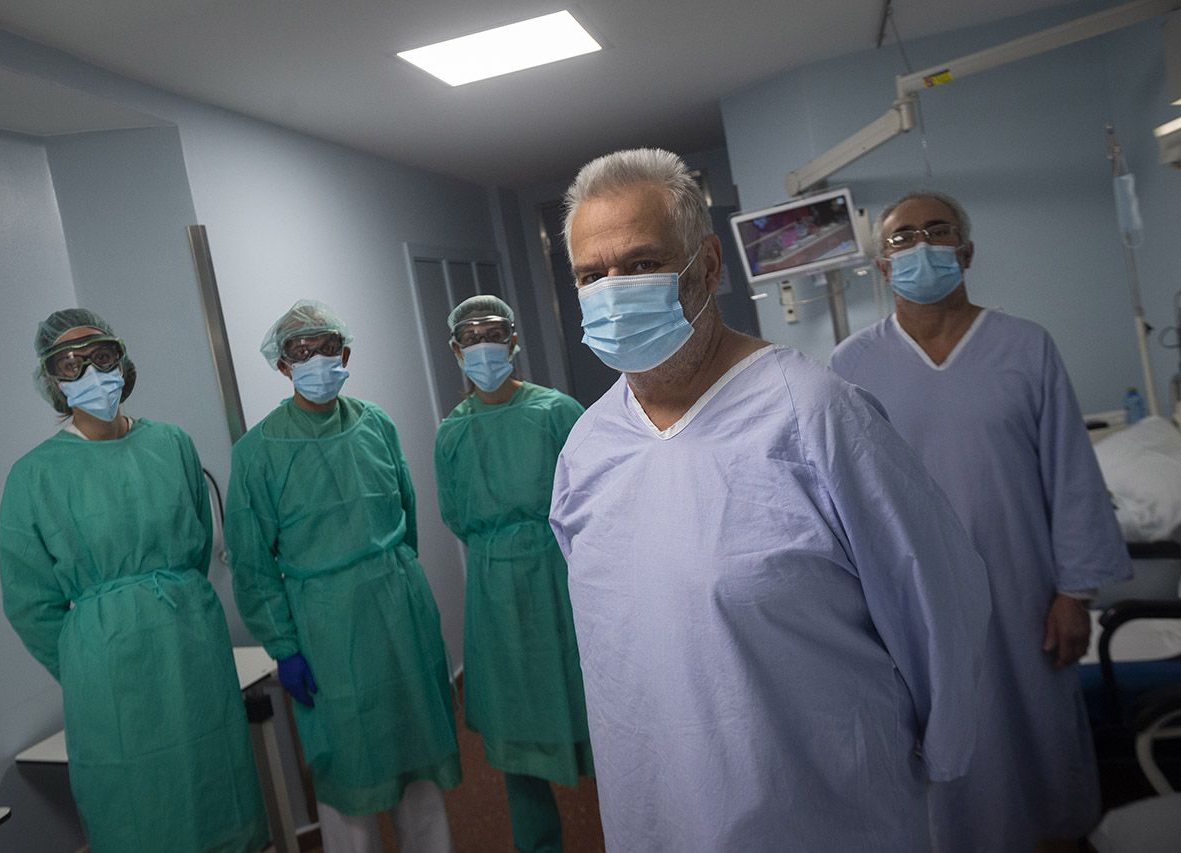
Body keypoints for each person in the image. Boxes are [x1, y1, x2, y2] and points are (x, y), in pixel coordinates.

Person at [547, 148, 993, 851]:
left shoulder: (816, 414)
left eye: (640, 265)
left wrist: (940, 753)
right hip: (655, 806)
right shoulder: (586, 451)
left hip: (819, 809)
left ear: (709, 266)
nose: (613, 292)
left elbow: (935, 597)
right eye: (590, 275)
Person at [830, 189, 1133, 850]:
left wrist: (1075, 593)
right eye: (902, 238)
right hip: (911, 607)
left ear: (965, 251)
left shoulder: (1026, 349)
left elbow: (1071, 477)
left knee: (1038, 751)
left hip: (1023, 594)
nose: (921, 245)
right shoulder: (849, 369)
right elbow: (840, 501)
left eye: (937, 231)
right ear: (882, 266)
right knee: (938, 760)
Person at [0, 308, 268, 852]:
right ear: (53, 382)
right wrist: (89, 660)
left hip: (192, 650)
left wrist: (168, 613)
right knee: (139, 811)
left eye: (100, 356)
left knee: (217, 787)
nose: (90, 373)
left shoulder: (172, 444)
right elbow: (30, 603)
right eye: (69, 364)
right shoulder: (34, 476)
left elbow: (193, 552)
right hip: (107, 679)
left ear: (122, 361)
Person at [225, 299, 460, 853]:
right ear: (282, 366)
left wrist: (401, 588)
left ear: (346, 351)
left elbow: (404, 516)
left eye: (326, 347)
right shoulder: (257, 452)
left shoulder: (375, 424)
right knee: (345, 778)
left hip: (398, 610)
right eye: (298, 351)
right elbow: (254, 562)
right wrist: (285, 647)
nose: (314, 360)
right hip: (325, 631)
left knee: (418, 760)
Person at [434, 295, 592, 853]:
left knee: (597, 710)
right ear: (455, 351)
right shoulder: (451, 433)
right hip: (494, 592)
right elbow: (456, 514)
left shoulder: (556, 412)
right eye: (470, 339)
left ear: (515, 342)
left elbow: (595, 498)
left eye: (493, 335)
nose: (483, 348)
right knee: (514, 733)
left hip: (563, 579)